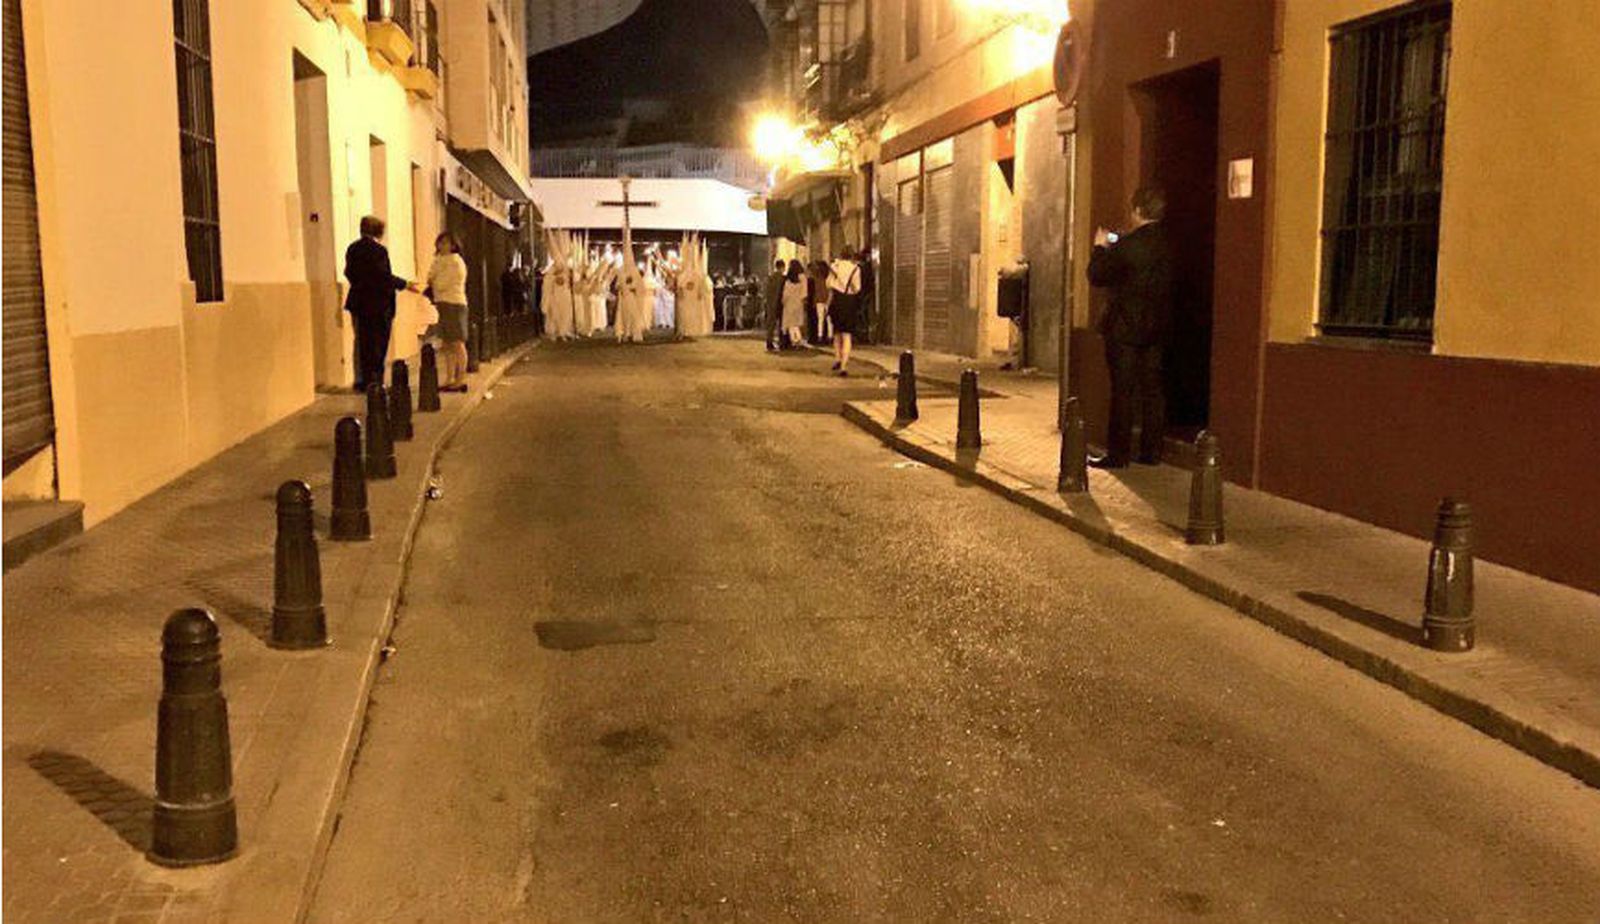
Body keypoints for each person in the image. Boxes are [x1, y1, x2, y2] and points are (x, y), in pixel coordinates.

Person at [1087, 185, 1174, 468]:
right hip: (1157, 328)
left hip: (1123, 329)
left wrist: (1100, 248)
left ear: (1137, 211)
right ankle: (1151, 452)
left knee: (1123, 391)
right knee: (1153, 390)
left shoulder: (1127, 246)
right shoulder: (1168, 245)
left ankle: (1119, 454)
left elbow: (1097, 275)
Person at [344, 216, 415, 392]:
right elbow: (382, 277)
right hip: (378, 304)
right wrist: (404, 284)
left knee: (362, 342)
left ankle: (362, 380)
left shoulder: (352, 248)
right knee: (378, 344)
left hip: (359, 303)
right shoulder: (379, 251)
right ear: (379, 232)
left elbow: (348, 272)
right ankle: (375, 381)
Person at [426, 232, 471, 392]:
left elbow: (441, 283)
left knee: (457, 343)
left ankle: (461, 379)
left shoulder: (455, 261)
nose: (442, 246)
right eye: (440, 243)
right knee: (447, 343)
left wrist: (433, 279)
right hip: (442, 303)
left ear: (453, 245)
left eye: (446, 243)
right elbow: (430, 277)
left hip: (454, 303)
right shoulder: (438, 260)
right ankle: (450, 378)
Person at [826, 248, 862, 376]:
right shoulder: (855, 269)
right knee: (847, 335)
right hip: (849, 302)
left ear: (841, 255)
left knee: (837, 333)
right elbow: (857, 288)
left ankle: (837, 358)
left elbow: (828, 284)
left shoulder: (834, 266)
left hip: (837, 300)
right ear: (851, 255)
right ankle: (844, 366)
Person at [781, 259, 808, 349]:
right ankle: (798, 340)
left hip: (789, 303)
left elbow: (785, 294)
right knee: (796, 323)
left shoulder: (788, 280)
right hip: (798, 302)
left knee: (790, 324)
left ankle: (795, 340)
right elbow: (804, 292)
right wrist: (803, 300)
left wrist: (783, 301)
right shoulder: (803, 278)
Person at [764, 259, 786, 351]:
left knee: (771, 324)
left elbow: (767, 291)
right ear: (782, 267)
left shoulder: (770, 277)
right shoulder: (783, 278)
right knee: (781, 324)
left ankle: (769, 342)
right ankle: (782, 342)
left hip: (770, 303)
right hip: (780, 303)